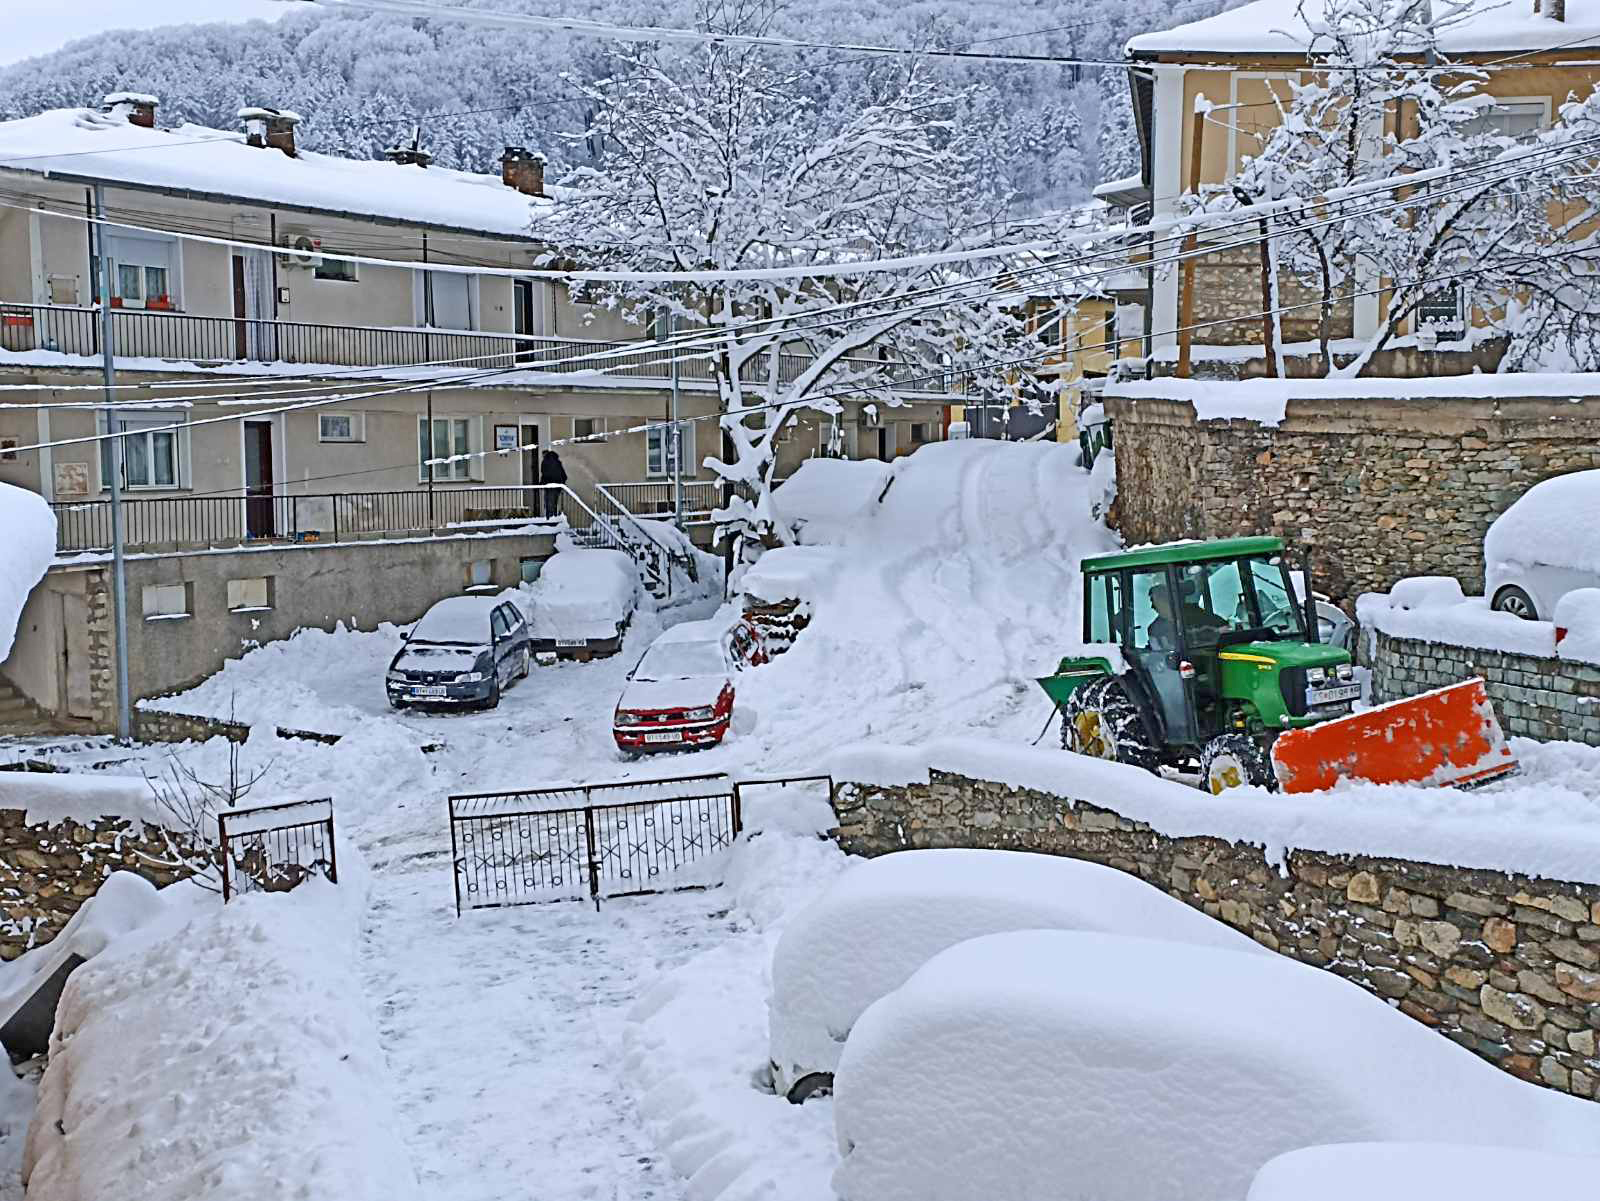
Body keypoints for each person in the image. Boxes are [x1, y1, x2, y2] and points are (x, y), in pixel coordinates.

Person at [1146, 582, 1228, 649]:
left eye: (1154, 601)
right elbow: (1157, 655)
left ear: (1166, 600)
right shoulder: (1155, 629)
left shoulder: (1197, 615)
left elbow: (1224, 629)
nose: (1152, 607)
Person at [540, 449, 567, 518]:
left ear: (545, 454)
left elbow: (544, 474)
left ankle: (550, 521)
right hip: (557, 486)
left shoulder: (545, 462)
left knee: (549, 504)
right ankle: (554, 518)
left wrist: (541, 483)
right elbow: (564, 475)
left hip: (549, 486)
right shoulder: (557, 461)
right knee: (554, 503)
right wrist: (562, 484)